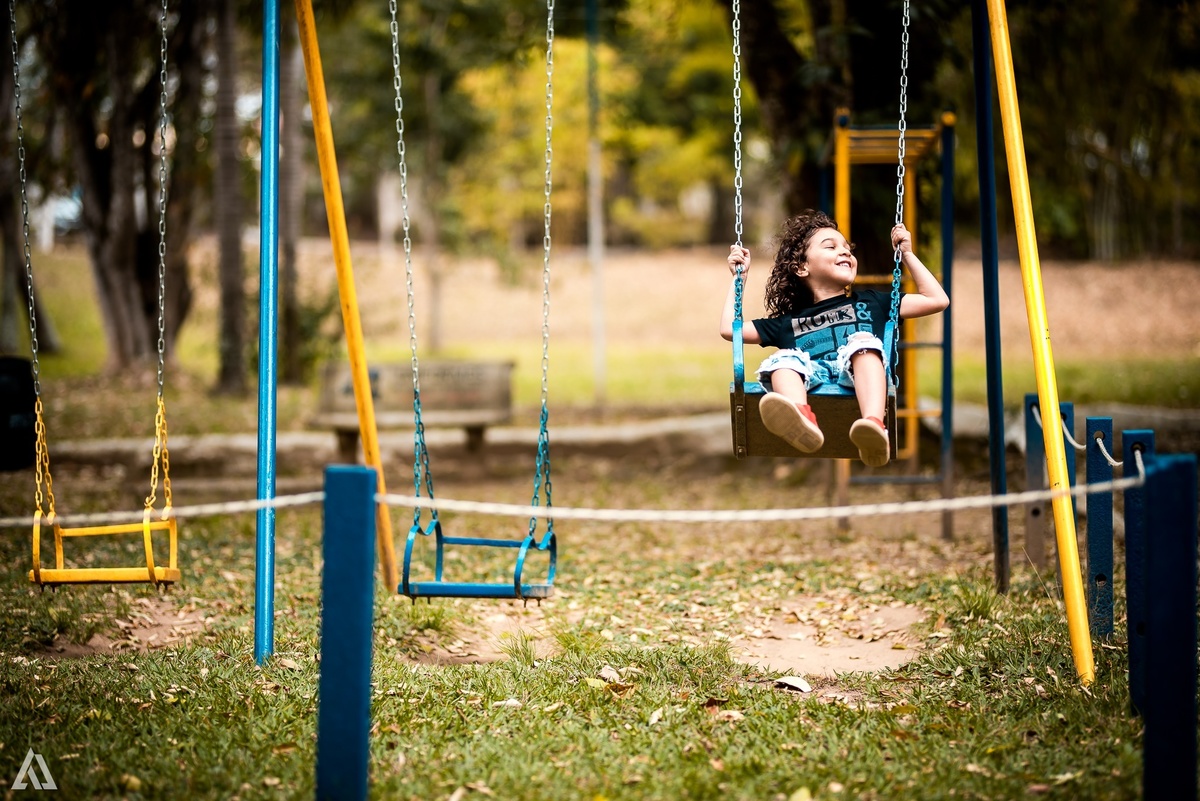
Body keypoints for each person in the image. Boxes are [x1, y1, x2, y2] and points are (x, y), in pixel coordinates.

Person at [719, 210, 948, 467]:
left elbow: (936, 300)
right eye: (831, 246)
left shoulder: (873, 303)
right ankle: (801, 418)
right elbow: (730, 329)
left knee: (864, 346)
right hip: (811, 380)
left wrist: (907, 254)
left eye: (847, 249)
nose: (845, 252)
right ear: (802, 267)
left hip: (855, 378)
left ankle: (873, 424)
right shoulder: (787, 322)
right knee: (782, 361)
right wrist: (739, 279)